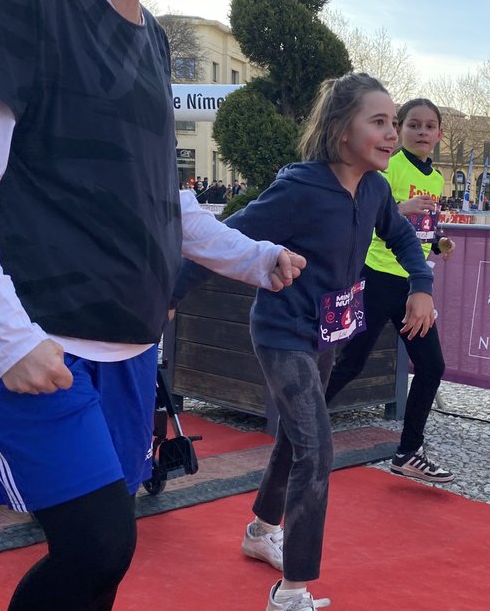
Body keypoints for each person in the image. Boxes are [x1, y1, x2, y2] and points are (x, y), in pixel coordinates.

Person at [0, 0, 251, 610]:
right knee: (98, 543)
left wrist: (257, 259)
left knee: (104, 562)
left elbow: (166, 200)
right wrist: (7, 335)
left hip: (127, 347)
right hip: (34, 337)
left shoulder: (153, 38)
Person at [171, 73, 436, 611]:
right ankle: (291, 591)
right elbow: (231, 236)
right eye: (379, 122)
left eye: (393, 123)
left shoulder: (376, 190)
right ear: (342, 132)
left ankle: (261, 530)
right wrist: (167, 295)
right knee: (318, 448)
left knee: (297, 440)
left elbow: (403, 237)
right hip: (281, 332)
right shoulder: (301, 187)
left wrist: (422, 287)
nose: (392, 135)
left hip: (327, 332)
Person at [323, 97, 457, 482]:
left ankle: (408, 452)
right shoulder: (386, 168)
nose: (422, 132)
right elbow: (368, 217)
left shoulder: (435, 177)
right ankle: (300, 426)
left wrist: (438, 243)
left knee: (432, 366)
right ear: (400, 130)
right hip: (374, 276)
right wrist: (402, 207)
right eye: (413, 125)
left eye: (429, 126)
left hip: (411, 286)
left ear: (439, 134)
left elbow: (422, 230)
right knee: (350, 362)